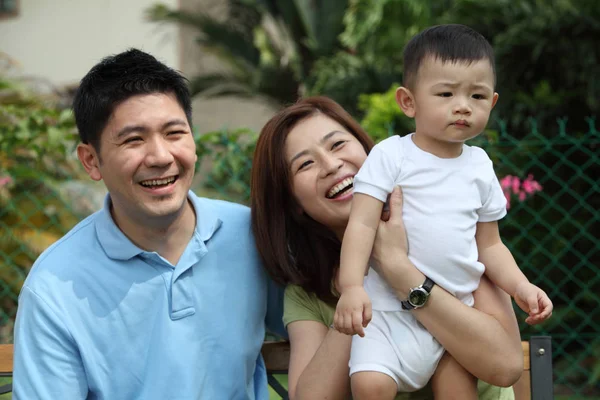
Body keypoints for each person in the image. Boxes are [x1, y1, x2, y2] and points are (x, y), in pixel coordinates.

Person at [12, 48, 284, 399]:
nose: (160, 157)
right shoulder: (53, 286)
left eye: (174, 133)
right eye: (133, 139)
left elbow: (320, 316)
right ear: (91, 160)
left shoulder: (252, 234)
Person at [250, 95, 524, 400]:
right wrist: (362, 282)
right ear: (294, 204)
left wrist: (397, 268)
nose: (331, 165)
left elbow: (506, 365)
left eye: (337, 144)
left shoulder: (453, 239)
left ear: (374, 153)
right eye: (305, 164)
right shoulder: (307, 293)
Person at [333, 24, 553, 399]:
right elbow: (362, 225)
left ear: (492, 103)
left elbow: (491, 246)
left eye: (477, 95)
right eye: (447, 93)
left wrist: (520, 286)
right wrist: (352, 287)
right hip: (387, 314)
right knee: (370, 385)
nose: (463, 105)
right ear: (409, 102)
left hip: (452, 314)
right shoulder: (391, 155)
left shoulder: (480, 166)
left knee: (457, 391)